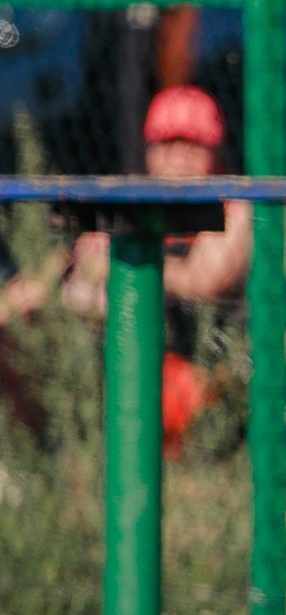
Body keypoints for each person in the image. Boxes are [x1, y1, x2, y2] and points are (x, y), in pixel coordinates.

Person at [0, 85, 249, 450]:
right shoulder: (130, 196)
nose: (179, 157)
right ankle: (33, 462)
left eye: (193, 144)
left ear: (214, 150)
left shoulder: (233, 204)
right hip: (102, 345)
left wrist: (123, 267)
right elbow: (62, 267)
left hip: (189, 360)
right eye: (168, 143)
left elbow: (205, 280)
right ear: (150, 149)